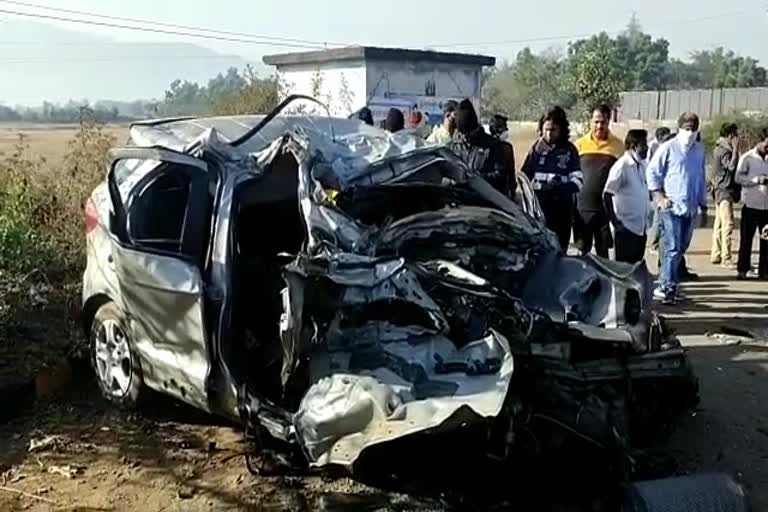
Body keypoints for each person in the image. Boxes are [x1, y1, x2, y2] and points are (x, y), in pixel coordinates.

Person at [647, 112, 707, 305]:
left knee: (681, 247)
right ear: (680, 128)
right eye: (687, 128)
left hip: (690, 207)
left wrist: (703, 206)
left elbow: (700, 177)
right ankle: (667, 287)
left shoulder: (699, 150)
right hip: (671, 207)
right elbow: (652, 172)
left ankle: (670, 283)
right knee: (672, 247)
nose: (690, 133)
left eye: (693, 129)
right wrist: (659, 197)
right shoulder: (668, 148)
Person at [522, 106, 583, 251]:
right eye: (546, 129)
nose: (549, 134)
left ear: (561, 130)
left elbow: (578, 182)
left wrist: (558, 188)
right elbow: (524, 178)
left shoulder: (569, 150)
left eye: (553, 130)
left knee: (559, 252)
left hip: (561, 212)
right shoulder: (535, 149)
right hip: (539, 213)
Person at [573, 104, 624, 258]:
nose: (599, 125)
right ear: (591, 121)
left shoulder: (618, 146)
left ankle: (605, 281)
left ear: (609, 121)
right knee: (583, 253)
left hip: (605, 209)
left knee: (603, 252)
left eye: (603, 122)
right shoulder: (579, 145)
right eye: (596, 121)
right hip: (583, 207)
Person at [451, 99, 516, 198]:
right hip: (460, 203)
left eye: (467, 134)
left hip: (484, 204)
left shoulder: (492, 146)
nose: (464, 137)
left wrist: (475, 178)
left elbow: (500, 176)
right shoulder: (454, 147)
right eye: (461, 134)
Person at [603, 130, 649, 264]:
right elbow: (607, 195)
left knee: (636, 268)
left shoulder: (641, 165)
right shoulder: (621, 166)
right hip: (626, 228)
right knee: (623, 269)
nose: (646, 148)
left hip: (640, 227)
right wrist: (616, 223)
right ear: (634, 146)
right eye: (643, 145)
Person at [735, 128, 768, 280]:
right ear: (759, 141)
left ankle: (764, 271)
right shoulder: (748, 158)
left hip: (766, 207)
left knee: (766, 242)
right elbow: (738, 178)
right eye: (766, 145)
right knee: (746, 240)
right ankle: (742, 270)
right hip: (751, 206)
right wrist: (755, 181)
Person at [710, 122, 740, 268]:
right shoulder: (724, 150)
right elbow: (731, 166)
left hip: (719, 189)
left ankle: (716, 254)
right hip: (724, 190)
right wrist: (735, 150)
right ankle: (726, 258)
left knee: (719, 223)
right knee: (728, 224)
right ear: (730, 135)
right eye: (735, 135)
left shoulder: (718, 148)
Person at [648, 127, 674, 254]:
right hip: (658, 188)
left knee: (662, 216)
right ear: (660, 137)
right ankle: (654, 244)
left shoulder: (666, 147)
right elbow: (650, 169)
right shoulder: (653, 147)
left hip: (665, 186)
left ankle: (660, 243)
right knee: (658, 217)